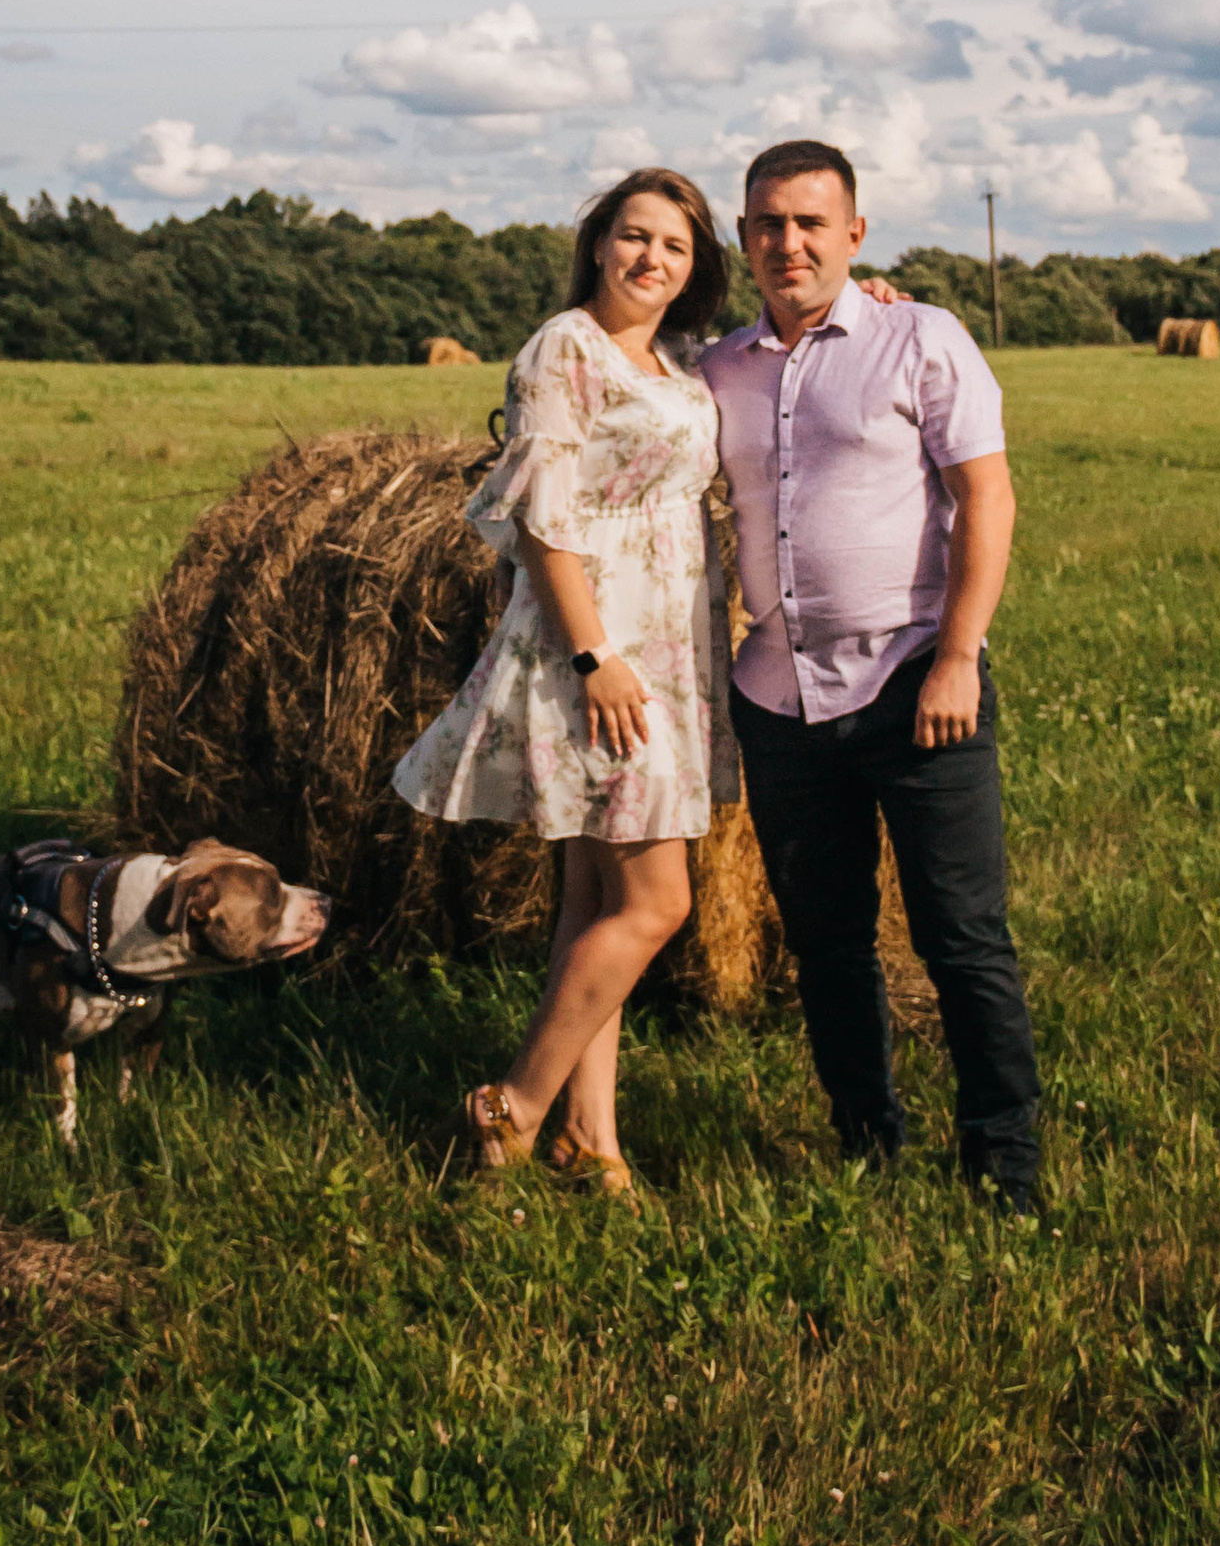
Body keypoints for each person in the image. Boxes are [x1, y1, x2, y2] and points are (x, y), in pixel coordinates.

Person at [704, 140, 1042, 1212]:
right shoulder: (718, 368)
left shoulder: (920, 337)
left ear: (854, 233)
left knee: (962, 938)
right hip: (778, 696)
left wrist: (958, 657)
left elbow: (986, 497)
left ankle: (1004, 1166)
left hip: (916, 682)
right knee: (826, 944)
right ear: (742, 237)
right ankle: (866, 1142)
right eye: (768, 223)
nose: (788, 242)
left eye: (811, 223)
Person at [391, 165, 734, 1200]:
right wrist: (594, 659)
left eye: (673, 246)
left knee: (597, 899)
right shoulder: (563, 348)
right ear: (597, 243)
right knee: (657, 902)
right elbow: (543, 517)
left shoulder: (678, 359)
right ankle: (513, 1106)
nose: (649, 258)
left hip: (671, 645)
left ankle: (593, 1137)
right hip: (602, 650)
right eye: (634, 235)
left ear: (693, 268)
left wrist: (879, 301)